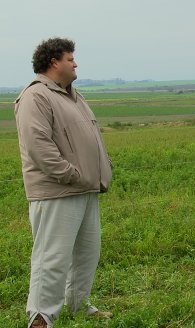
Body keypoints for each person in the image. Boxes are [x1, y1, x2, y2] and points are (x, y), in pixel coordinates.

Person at [14, 38, 113, 328]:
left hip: (85, 187)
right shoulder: (36, 96)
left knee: (86, 253)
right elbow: (39, 146)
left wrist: (102, 169)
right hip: (57, 191)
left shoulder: (74, 96)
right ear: (54, 62)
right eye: (70, 58)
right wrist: (72, 174)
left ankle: (79, 304)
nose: (75, 63)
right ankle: (40, 317)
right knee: (52, 257)